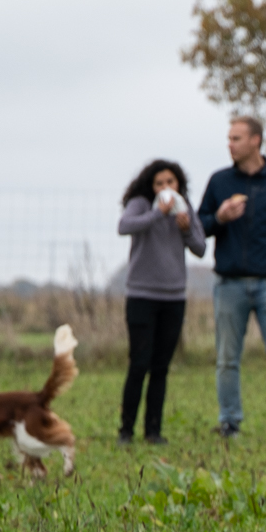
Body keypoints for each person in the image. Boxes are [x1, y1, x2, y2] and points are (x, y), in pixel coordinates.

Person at [196, 117, 266, 440]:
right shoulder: (218, 183)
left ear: (256, 140)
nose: (230, 144)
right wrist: (220, 217)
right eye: (229, 138)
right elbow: (199, 228)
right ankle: (229, 422)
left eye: (236, 138)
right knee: (227, 358)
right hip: (229, 284)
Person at [115, 159, 206, 445]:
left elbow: (201, 248)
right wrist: (157, 214)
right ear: (151, 186)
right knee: (139, 363)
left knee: (161, 366)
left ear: (179, 184)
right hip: (142, 295)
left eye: (171, 183)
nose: (166, 188)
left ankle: (153, 431)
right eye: (160, 184)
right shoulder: (141, 205)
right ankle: (126, 430)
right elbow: (124, 226)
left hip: (174, 297)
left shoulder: (185, 208)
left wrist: (186, 228)